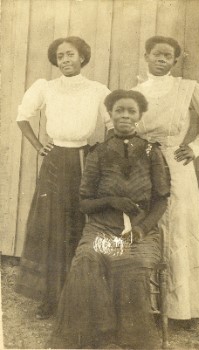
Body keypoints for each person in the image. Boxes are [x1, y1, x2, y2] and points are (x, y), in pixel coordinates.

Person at [48, 89, 171, 349]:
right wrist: (111, 202)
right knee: (87, 259)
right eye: (119, 111)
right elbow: (84, 202)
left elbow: (161, 199)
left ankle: (127, 339)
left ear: (139, 116)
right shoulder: (99, 153)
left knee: (132, 262)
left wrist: (141, 228)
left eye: (131, 111)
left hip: (140, 232)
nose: (125, 116)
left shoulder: (151, 152)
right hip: (101, 228)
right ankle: (100, 335)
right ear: (111, 114)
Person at [15, 36, 113, 319]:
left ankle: (78, 296)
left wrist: (100, 154)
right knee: (52, 226)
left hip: (83, 160)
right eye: (60, 56)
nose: (65, 60)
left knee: (79, 224)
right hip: (56, 160)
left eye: (71, 54)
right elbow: (23, 117)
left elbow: (111, 124)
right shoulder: (45, 88)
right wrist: (39, 146)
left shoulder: (97, 90)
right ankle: (50, 298)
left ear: (83, 57)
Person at [133, 35, 199, 324]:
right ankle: (147, 308)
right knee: (148, 226)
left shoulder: (188, 88)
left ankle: (182, 309)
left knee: (180, 230)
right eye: (156, 54)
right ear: (146, 56)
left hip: (177, 163)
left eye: (167, 56)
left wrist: (194, 147)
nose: (161, 59)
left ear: (174, 61)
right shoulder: (135, 91)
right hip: (144, 163)